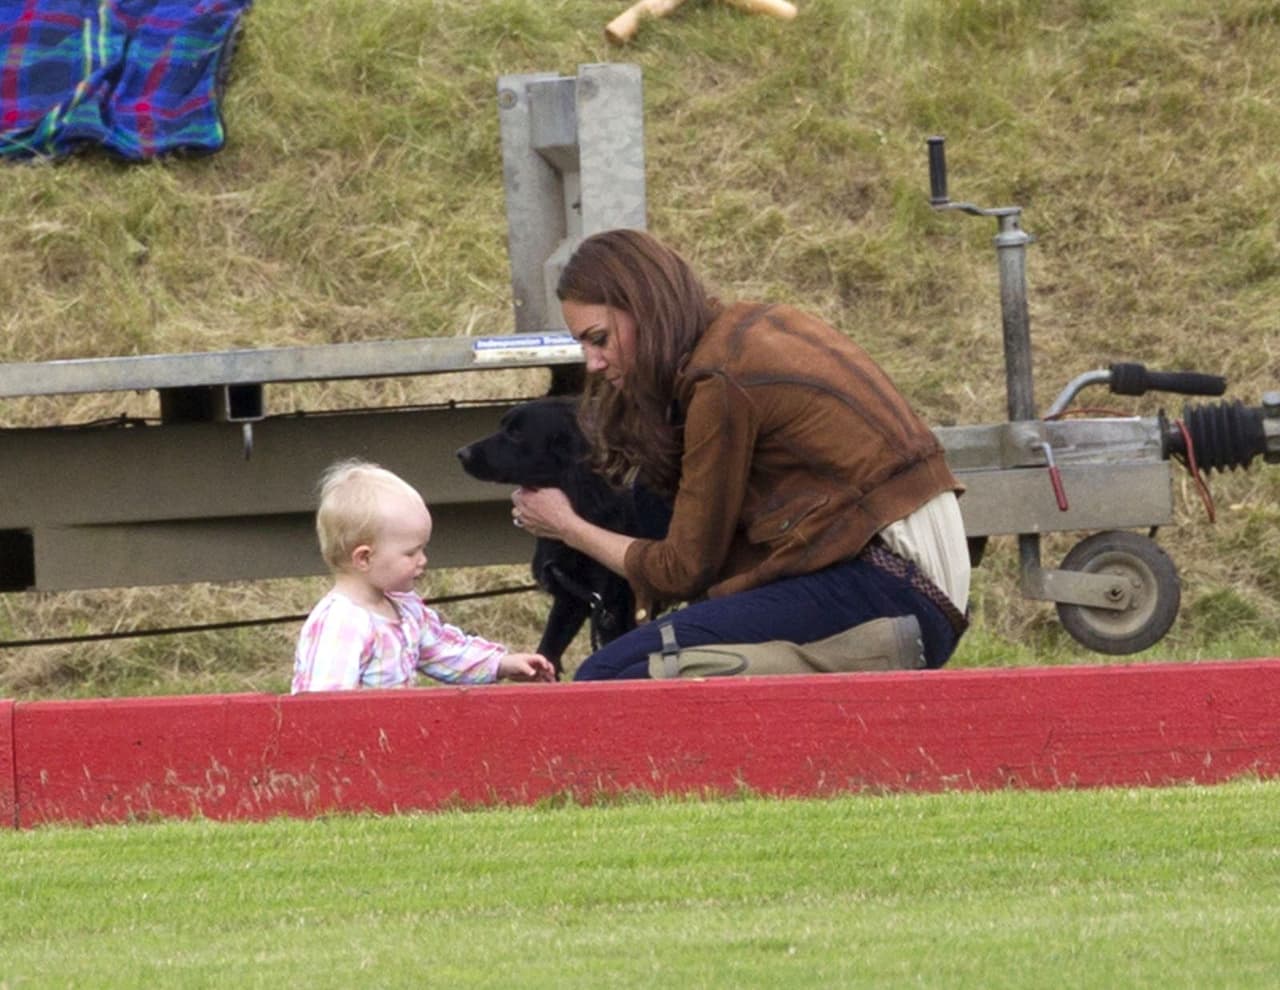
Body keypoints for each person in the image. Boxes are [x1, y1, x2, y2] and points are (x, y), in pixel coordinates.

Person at [510, 228, 970, 680]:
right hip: (909, 584)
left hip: (890, 588)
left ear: (645, 310)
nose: (592, 362)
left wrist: (566, 526)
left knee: (612, 675)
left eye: (599, 338)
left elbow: (681, 569)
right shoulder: (755, 329)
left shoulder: (722, 379)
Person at [292, 459, 555, 693]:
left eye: (422, 549)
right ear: (364, 558)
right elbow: (321, 709)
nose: (423, 561)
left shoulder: (404, 608)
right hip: (352, 746)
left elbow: (443, 651)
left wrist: (501, 664)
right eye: (411, 553)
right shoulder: (342, 624)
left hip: (397, 739)